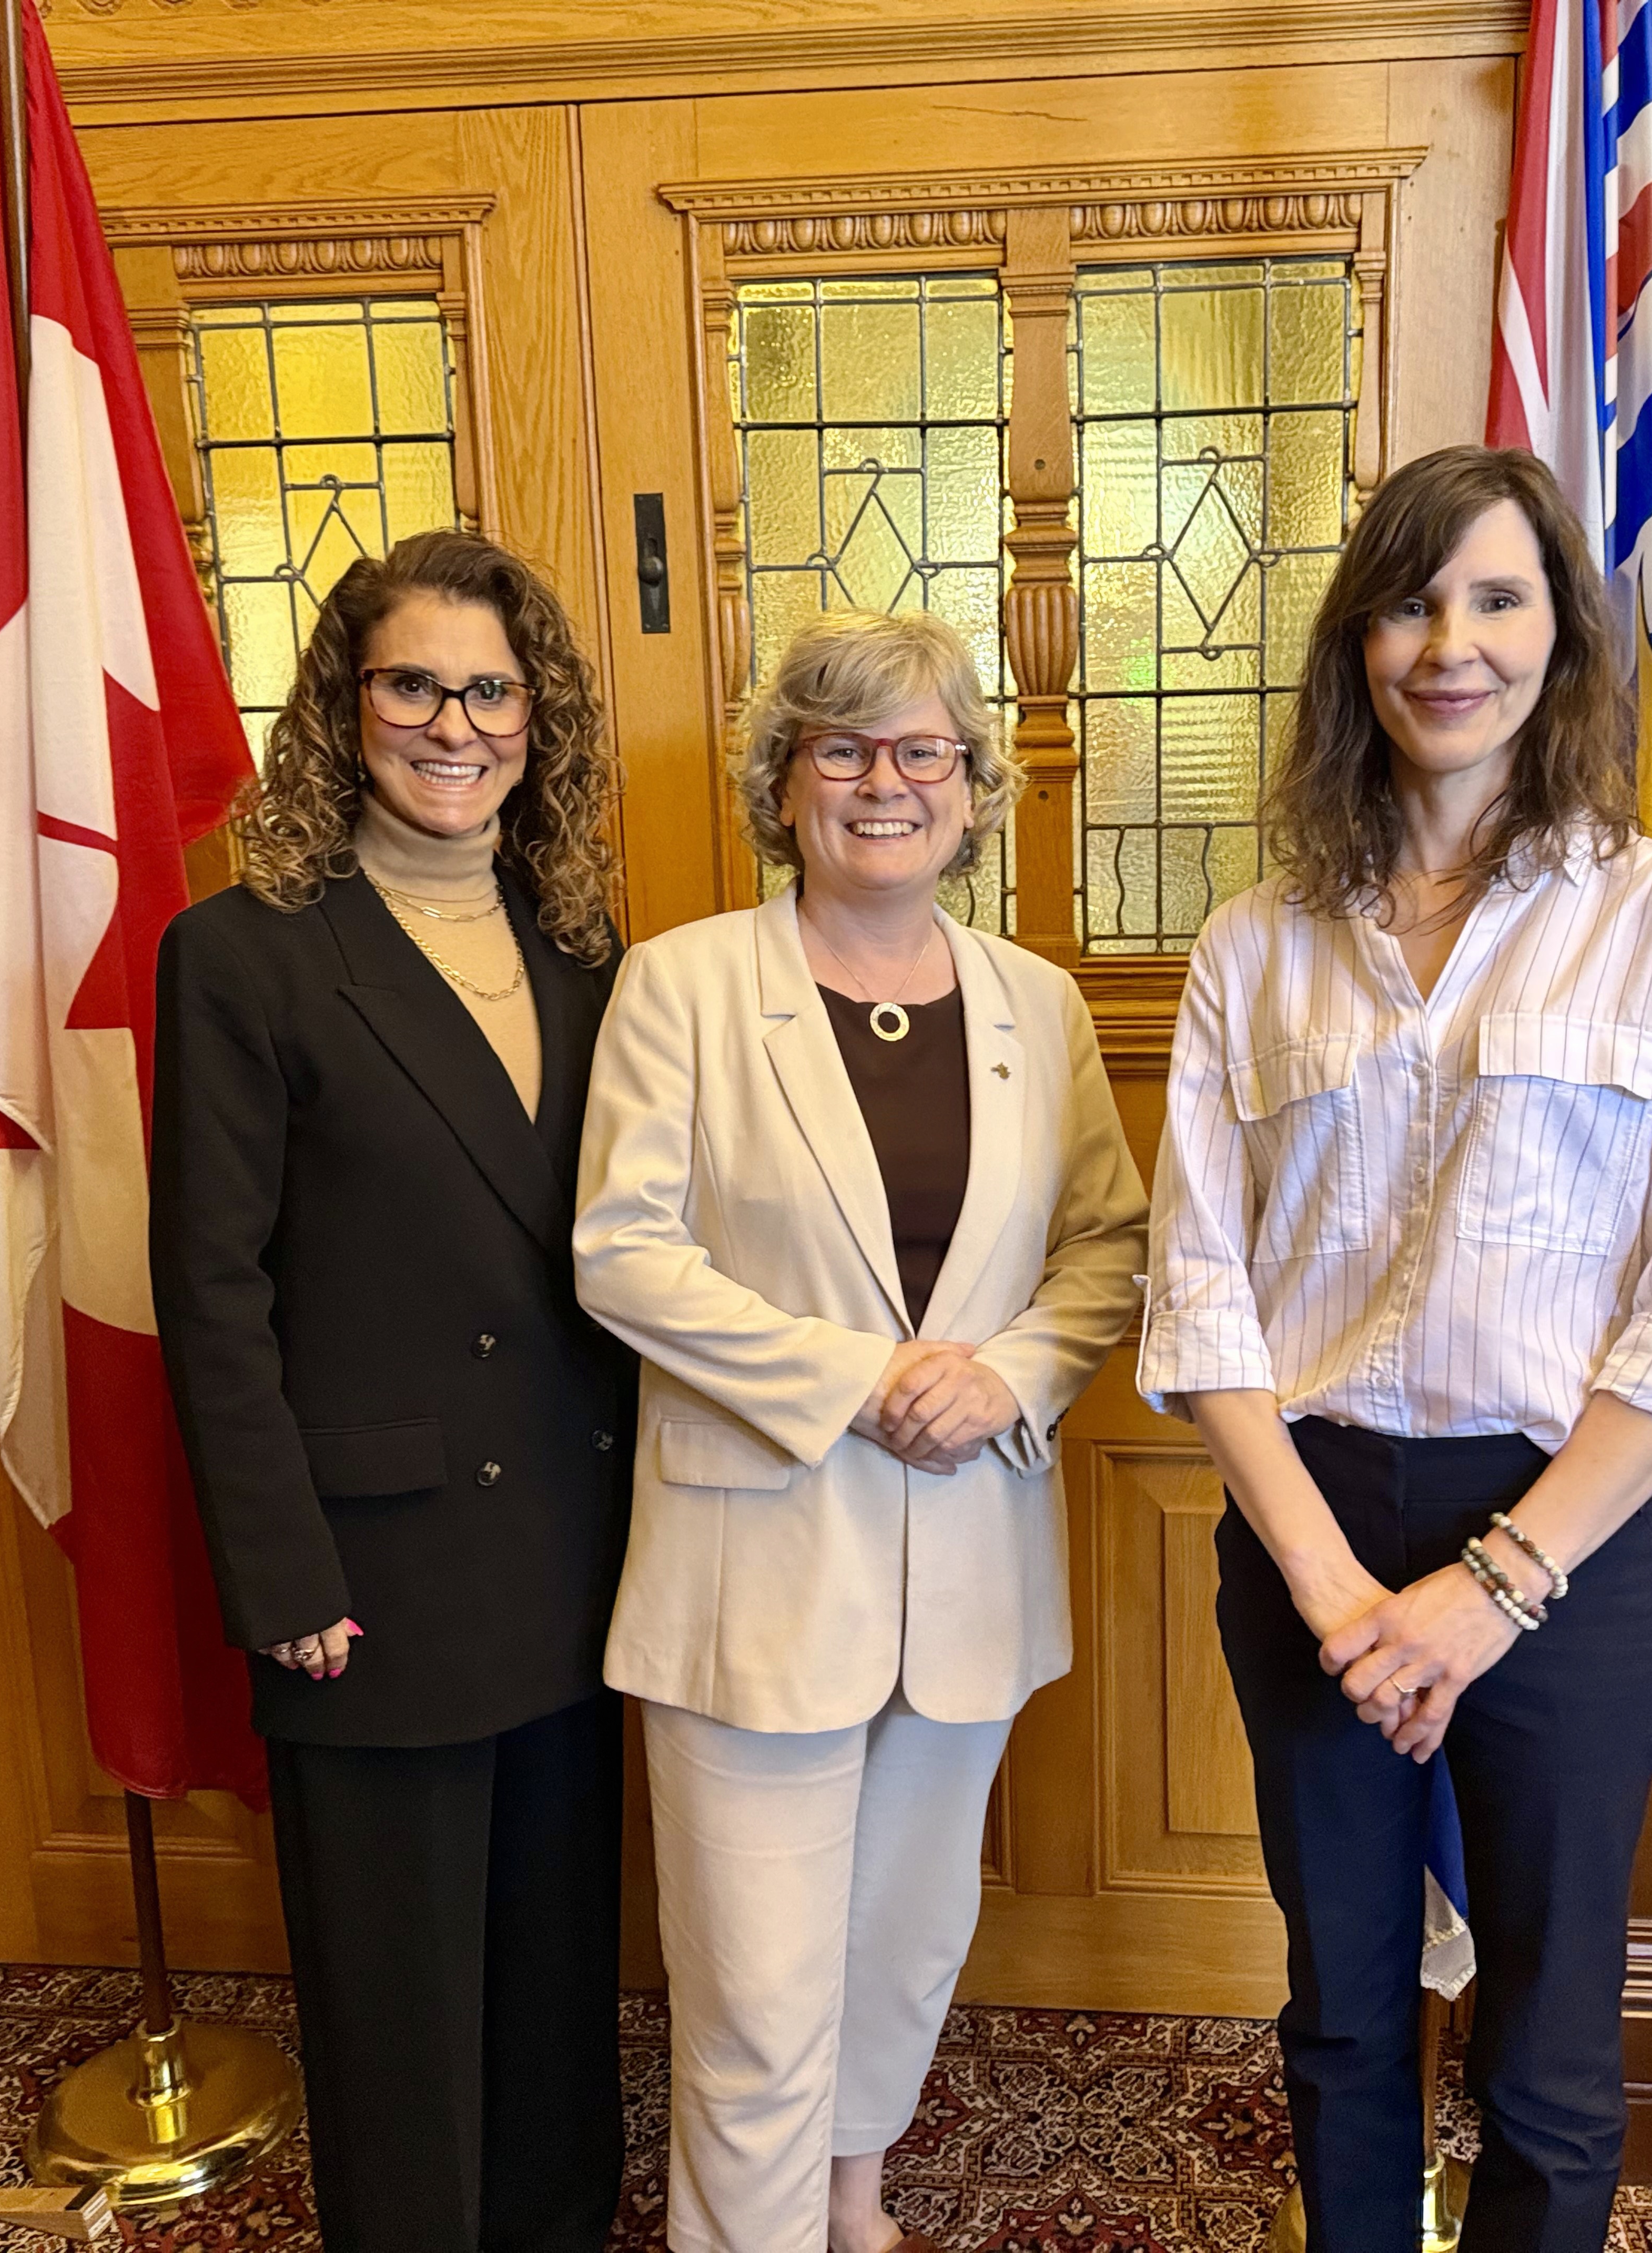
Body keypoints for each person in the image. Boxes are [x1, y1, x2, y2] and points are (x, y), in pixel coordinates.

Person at [1139, 446, 1652, 2253]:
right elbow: (1201, 1296)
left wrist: (1494, 1587)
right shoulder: (1255, 944)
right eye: (1411, 604)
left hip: (1566, 1534)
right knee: (1343, 2013)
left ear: (1562, 632)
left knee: (1550, 2049)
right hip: (1312, 1528)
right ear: (1357, 642)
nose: (1451, 645)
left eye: (1497, 599)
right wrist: (1342, 1593)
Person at [572, 610, 1147, 2253]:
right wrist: (856, 1378)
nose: (885, 780)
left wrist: (1014, 1372)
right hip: (755, 1568)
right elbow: (623, 1251)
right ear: (784, 781)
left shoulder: (1038, 1002)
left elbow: (1108, 1244)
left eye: (922, 750)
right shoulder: (683, 984)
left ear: (971, 789)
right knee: (754, 1994)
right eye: (842, 747)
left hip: (966, 1565)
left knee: (900, 1947)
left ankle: (852, 2205)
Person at [150, 529, 633, 2253]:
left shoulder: (588, 949)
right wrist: (282, 1575)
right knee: (400, 2016)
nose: (454, 724)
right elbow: (211, 1294)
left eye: (490, 691)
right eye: (412, 684)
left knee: (557, 1983)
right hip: (370, 1573)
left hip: (576, 1544)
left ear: (535, 718)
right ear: (346, 710)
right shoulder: (245, 954)